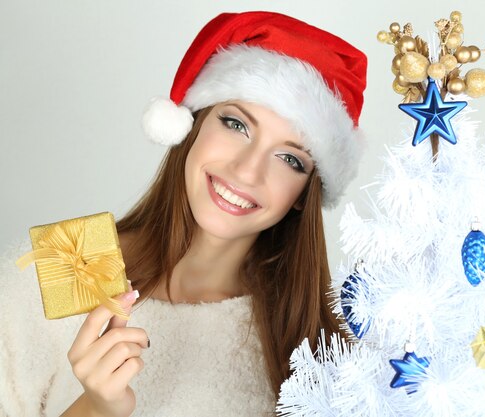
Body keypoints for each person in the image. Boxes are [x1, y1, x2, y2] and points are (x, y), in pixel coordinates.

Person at [0, 10, 367, 417]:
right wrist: (96, 409)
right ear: (193, 124)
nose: (247, 170)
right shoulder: (66, 261)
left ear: (303, 194)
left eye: (289, 159)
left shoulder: (313, 347)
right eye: (235, 124)